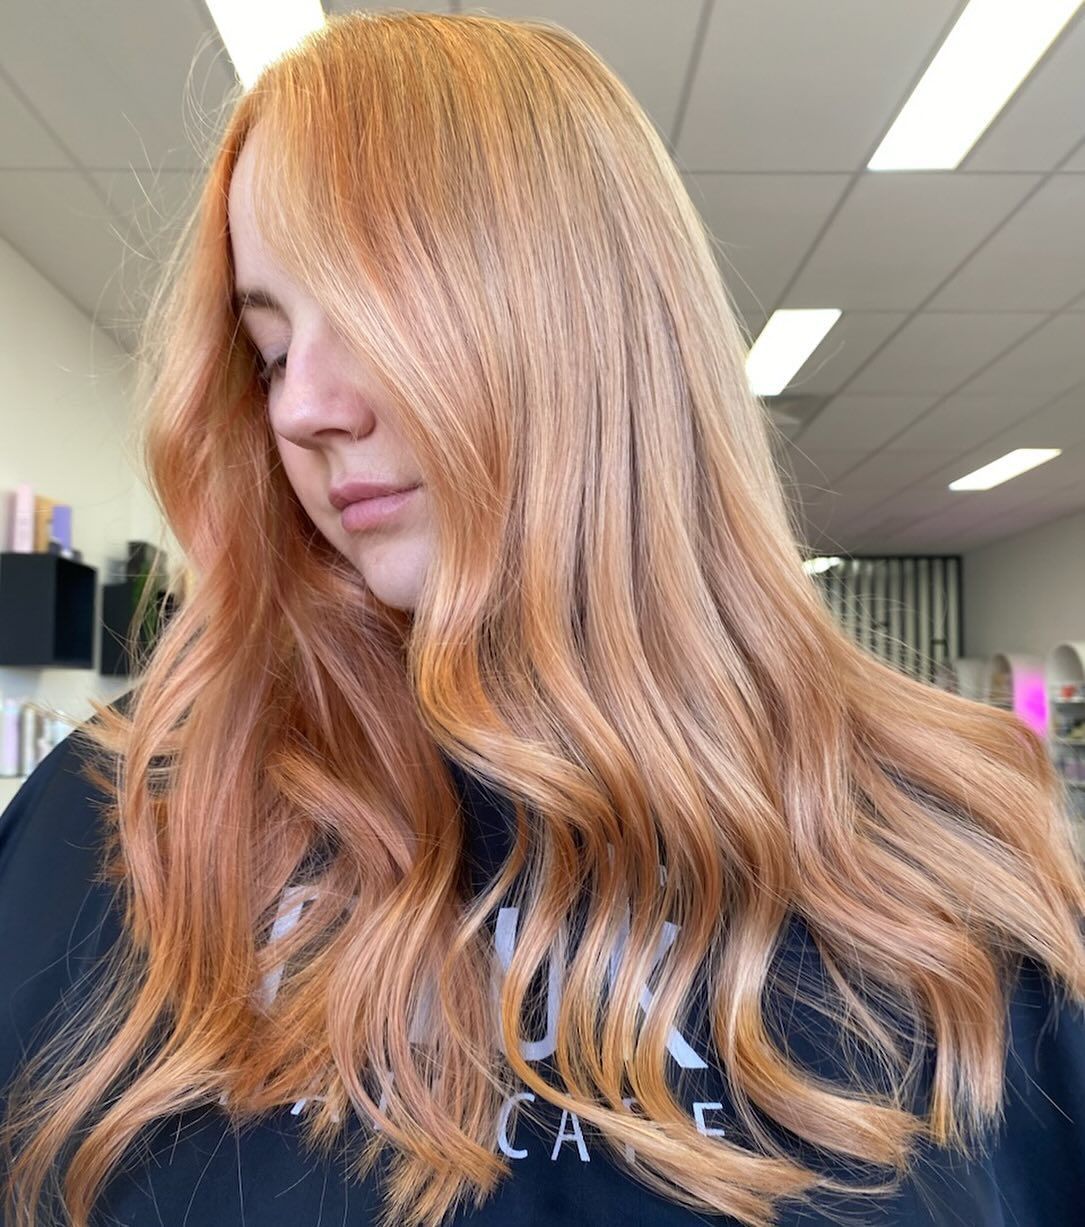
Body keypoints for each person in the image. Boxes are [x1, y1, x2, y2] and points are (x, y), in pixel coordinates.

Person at [2, 10, 1085, 1226]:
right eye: (265, 348)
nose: (299, 405)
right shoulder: (135, 812)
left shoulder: (938, 849)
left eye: (370, 304)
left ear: (580, 318)